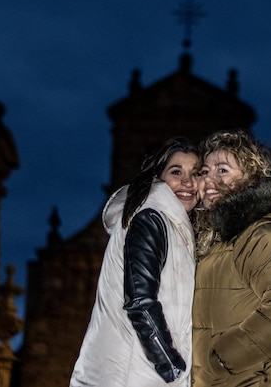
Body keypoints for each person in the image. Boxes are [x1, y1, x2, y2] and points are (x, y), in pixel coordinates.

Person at [191, 129, 271, 387]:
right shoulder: (226, 240)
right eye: (205, 171)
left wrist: (220, 359)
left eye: (223, 170)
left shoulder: (263, 233)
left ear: (251, 177)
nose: (208, 180)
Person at [70, 137, 200, 387]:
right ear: (158, 177)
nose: (187, 182)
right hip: (135, 374)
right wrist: (172, 368)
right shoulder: (152, 219)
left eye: (195, 173)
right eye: (176, 172)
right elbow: (140, 300)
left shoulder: (169, 224)